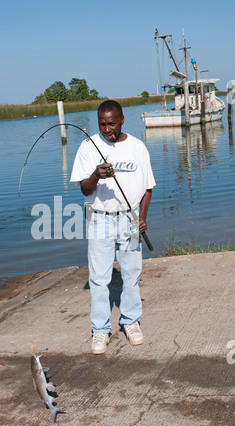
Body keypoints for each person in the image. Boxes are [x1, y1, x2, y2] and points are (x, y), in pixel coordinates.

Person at [70, 100, 156, 354]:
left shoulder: (137, 147)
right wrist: (96, 175)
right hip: (99, 219)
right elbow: (84, 189)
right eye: (102, 124)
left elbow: (147, 188)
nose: (107, 129)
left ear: (121, 120)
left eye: (111, 123)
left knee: (131, 273)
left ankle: (131, 322)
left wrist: (142, 217)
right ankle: (99, 329)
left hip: (130, 219)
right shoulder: (88, 147)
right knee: (98, 278)